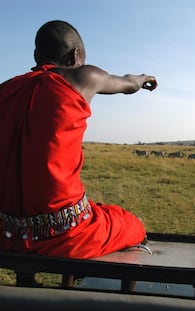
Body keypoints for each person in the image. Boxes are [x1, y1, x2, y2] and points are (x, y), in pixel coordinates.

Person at [0, 20, 158, 259]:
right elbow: (128, 83)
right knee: (132, 224)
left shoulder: (6, 89)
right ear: (75, 56)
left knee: (103, 210)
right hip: (67, 234)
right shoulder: (83, 77)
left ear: (36, 55)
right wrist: (143, 77)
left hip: (6, 231)